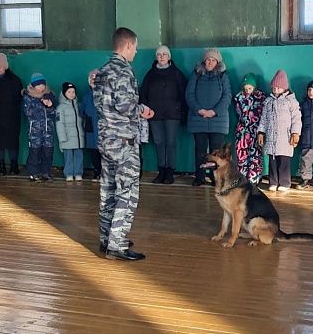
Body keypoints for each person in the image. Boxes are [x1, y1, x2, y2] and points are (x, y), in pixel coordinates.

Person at [93, 27, 154, 261]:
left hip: (106, 139)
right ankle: (116, 245)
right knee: (127, 192)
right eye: (135, 48)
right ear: (128, 46)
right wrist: (143, 110)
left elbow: (102, 104)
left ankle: (106, 237)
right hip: (123, 141)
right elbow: (126, 106)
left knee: (107, 190)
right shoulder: (123, 71)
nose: (136, 52)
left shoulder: (102, 71)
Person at [140, 45, 187, 184]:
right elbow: (143, 94)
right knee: (159, 143)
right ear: (156, 57)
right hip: (155, 115)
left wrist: (180, 111)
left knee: (171, 143)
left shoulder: (177, 74)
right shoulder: (150, 74)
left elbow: (184, 94)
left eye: (164, 54)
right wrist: (147, 109)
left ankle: (170, 172)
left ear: (169, 57)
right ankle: (161, 171)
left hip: (172, 115)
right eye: (159, 54)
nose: (161, 56)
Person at [185, 48, 231, 186]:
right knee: (200, 150)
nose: (210, 62)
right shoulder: (196, 75)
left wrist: (214, 112)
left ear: (217, 62)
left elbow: (227, 96)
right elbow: (189, 95)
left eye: (213, 60)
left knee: (216, 152)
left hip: (218, 120)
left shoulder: (223, 76)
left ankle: (214, 178)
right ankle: (199, 177)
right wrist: (200, 110)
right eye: (208, 60)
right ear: (204, 61)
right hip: (198, 119)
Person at [257, 70, 302, 192]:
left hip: (285, 138)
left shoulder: (291, 101)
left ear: (284, 88)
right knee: (272, 161)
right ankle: (273, 182)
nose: (276, 90)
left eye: (278, 88)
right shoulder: (268, 102)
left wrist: (295, 133)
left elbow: (296, 118)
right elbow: (264, 119)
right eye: (274, 87)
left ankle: (284, 183)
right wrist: (261, 132)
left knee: (283, 162)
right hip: (271, 138)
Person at [0, 53, 23, 176]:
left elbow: (17, 97)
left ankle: (14, 165)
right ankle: (1, 166)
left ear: (5, 66)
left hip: (11, 116)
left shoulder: (15, 80)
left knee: (12, 141)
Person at [23, 73, 57, 182]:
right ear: (33, 86)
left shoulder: (50, 95)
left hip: (48, 130)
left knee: (48, 152)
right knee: (34, 152)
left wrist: (50, 106)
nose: (41, 87)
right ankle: (34, 173)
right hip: (35, 131)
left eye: (43, 85)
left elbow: (54, 113)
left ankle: (46, 172)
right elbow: (28, 112)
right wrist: (41, 105)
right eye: (38, 85)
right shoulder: (28, 97)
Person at [233, 73, 266, 184]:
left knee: (255, 154)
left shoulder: (261, 98)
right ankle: (242, 177)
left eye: (250, 88)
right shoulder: (239, 97)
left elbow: (263, 115)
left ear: (254, 87)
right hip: (242, 131)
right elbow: (238, 113)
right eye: (245, 88)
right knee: (241, 154)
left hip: (256, 130)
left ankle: (254, 177)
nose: (247, 90)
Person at [56, 82, 85, 181]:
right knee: (68, 157)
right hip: (67, 137)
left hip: (78, 138)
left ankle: (78, 173)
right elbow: (59, 124)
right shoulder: (60, 108)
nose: (72, 94)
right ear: (64, 93)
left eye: (73, 92)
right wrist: (62, 139)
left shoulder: (79, 105)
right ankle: (68, 173)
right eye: (69, 92)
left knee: (78, 156)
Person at [80, 69, 101, 182]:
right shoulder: (86, 95)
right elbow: (82, 110)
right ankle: (97, 172)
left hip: (103, 127)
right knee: (94, 152)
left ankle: (105, 173)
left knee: (104, 153)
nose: (94, 80)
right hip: (91, 128)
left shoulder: (105, 94)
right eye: (91, 78)